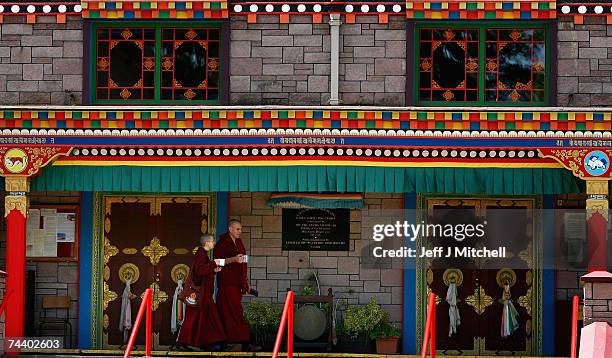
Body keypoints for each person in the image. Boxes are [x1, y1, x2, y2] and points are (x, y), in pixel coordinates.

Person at [214, 219, 257, 351]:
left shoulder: (239, 243)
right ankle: (245, 342)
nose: (240, 232)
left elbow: (244, 263)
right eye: (237, 229)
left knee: (227, 313)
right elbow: (216, 262)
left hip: (238, 284)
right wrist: (233, 259)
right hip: (227, 284)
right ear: (230, 229)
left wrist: (247, 283)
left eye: (241, 229)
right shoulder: (222, 244)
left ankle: (223, 342)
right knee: (235, 312)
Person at [177, 234, 226, 350]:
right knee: (195, 318)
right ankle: (187, 342)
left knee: (202, 318)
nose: (214, 243)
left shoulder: (202, 254)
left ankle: (204, 343)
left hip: (204, 294)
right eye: (213, 241)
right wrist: (214, 263)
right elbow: (199, 271)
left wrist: (213, 270)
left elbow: (203, 270)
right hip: (199, 294)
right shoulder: (200, 254)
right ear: (207, 242)